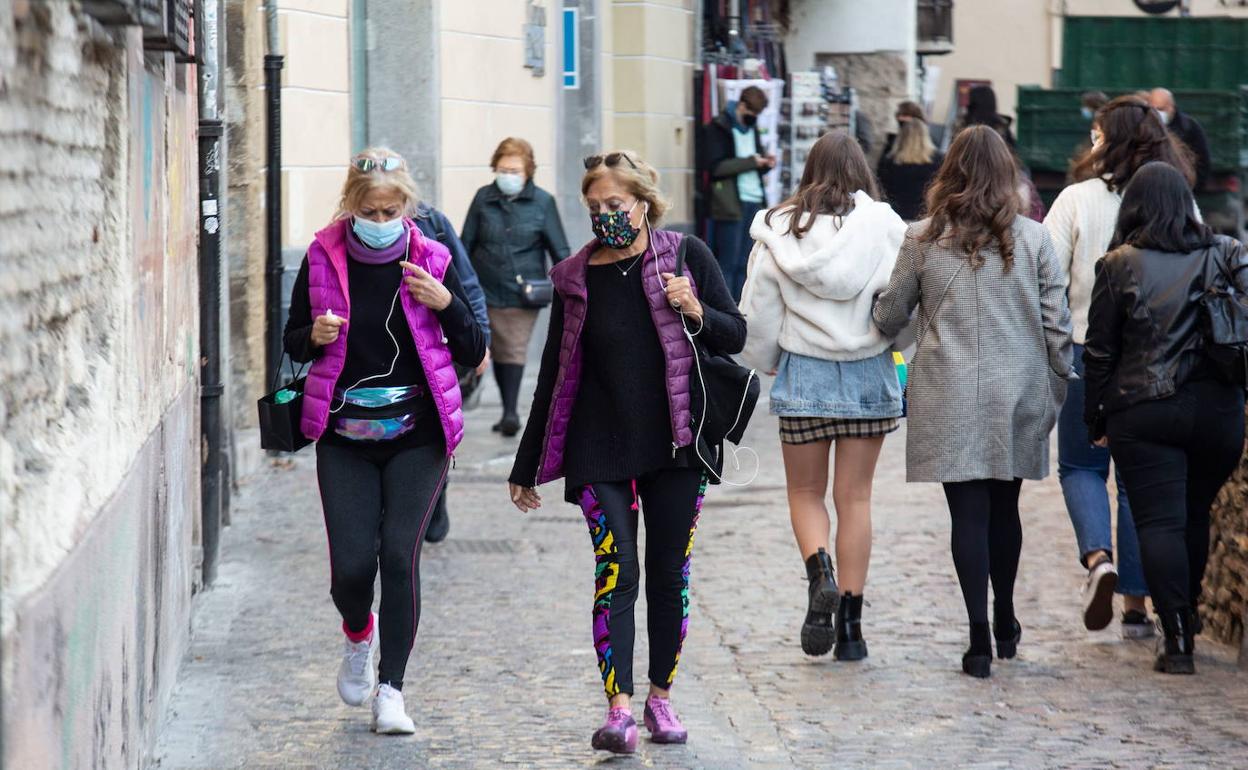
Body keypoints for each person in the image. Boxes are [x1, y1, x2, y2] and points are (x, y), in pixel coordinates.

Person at [508, 151, 745, 754]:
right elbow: (554, 377)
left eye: (615, 205)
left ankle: (660, 697)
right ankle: (618, 712)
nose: (605, 217)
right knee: (617, 570)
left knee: (668, 573)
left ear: (643, 202)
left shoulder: (686, 256)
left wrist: (694, 307)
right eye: (594, 208)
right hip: (597, 446)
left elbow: (735, 333)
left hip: (676, 443)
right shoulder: (573, 277)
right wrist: (526, 464)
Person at [283, 149, 486, 733]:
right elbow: (291, 340)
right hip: (344, 438)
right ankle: (357, 634)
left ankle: (391, 690)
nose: (381, 220)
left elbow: (472, 349)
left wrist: (444, 304)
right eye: (370, 211)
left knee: (398, 555)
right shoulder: (325, 256)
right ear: (351, 206)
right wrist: (312, 335)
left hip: (417, 437)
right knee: (351, 569)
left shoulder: (431, 257)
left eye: (392, 209)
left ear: (408, 206)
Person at [873, 126, 1074, 679]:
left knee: (967, 513)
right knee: (1005, 507)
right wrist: (1057, 384)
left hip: (947, 388)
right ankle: (1006, 617)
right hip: (1019, 389)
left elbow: (892, 318)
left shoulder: (921, 237)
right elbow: (1057, 325)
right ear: (1007, 174)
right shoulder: (1033, 238)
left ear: (950, 171)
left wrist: (882, 310)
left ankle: (978, 639)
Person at [740, 133, 907, 660]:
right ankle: (852, 632)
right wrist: (896, 345)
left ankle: (820, 573)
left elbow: (759, 313)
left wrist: (766, 359)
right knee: (855, 499)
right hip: (868, 374)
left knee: (805, 493)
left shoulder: (781, 230)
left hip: (805, 374)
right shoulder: (885, 228)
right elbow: (906, 304)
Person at [1082, 161, 1247, 674]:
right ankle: (1190, 616)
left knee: (1159, 521)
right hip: (1218, 409)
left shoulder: (1119, 264)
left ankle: (1176, 637)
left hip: (1144, 409)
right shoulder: (1228, 253)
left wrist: (1096, 419)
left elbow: (1100, 353)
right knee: (1194, 516)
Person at [1045, 95, 1196, 638]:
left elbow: (1049, 281)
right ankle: (1136, 605)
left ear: (1106, 141)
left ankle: (1097, 560)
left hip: (1089, 351)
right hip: (1160, 358)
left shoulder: (1075, 201)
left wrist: (1056, 347)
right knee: (1138, 482)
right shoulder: (1177, 201)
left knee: (1082, 468)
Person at [461, 137, 570, 437]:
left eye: (514, 170)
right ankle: (504, 407)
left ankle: (509, 411)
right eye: (502, 168)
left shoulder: (543, 202)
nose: (507, 175)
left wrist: (572, 287)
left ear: (528, 172)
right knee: (493, 347)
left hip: (522, 292)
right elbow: (465, 243)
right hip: (483, 289)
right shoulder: (483, 197)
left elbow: (559, 248)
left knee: (512, 348)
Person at [414, 202, 491, 543]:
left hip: (436, 351)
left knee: (435, 429)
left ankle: (435, 494)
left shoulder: (433, 223)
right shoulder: (345, 230)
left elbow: (467, 283)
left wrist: (480, 337)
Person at [701, 85, 777, 301]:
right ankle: (727, 308)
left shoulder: (751, 129)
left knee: (747, 261)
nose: (754, 118)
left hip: (754, 201)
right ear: (742, 105)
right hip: (730, 204)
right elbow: (716, 168)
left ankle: (742, 309)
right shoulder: (719, 127)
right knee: (728, 261)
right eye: (752, 114)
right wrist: (751, 162)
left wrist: (765, 163)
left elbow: (752, 161)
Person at [877, 111, 943, 221]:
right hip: (923, 216)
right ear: (925, 135)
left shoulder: (889, 160)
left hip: (894, 216)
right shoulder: (938, 160)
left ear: (901, 136)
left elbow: (882, 188)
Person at [1150, 88, 1211, 191]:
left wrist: (1191, 189)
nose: (1157, 113)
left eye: (1161, 109)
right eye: (1153, 109)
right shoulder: (1144, 127)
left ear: (1171, 107)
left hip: (1181, 189)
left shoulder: (1188, 127)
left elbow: (1202, 160)